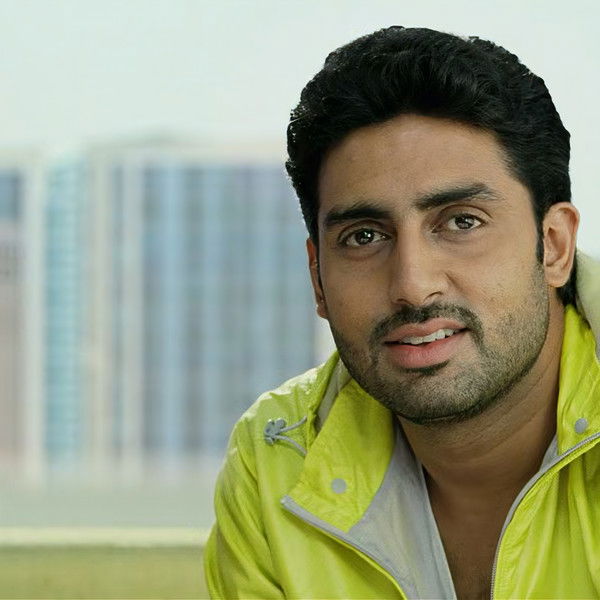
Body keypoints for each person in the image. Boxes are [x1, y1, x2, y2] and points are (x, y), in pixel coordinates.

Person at [204, 26, 600, 599]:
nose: (412, 287)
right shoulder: (278, 460)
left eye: (461, 222)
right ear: (318, 276)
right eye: (364, 236)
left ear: (554, 246)